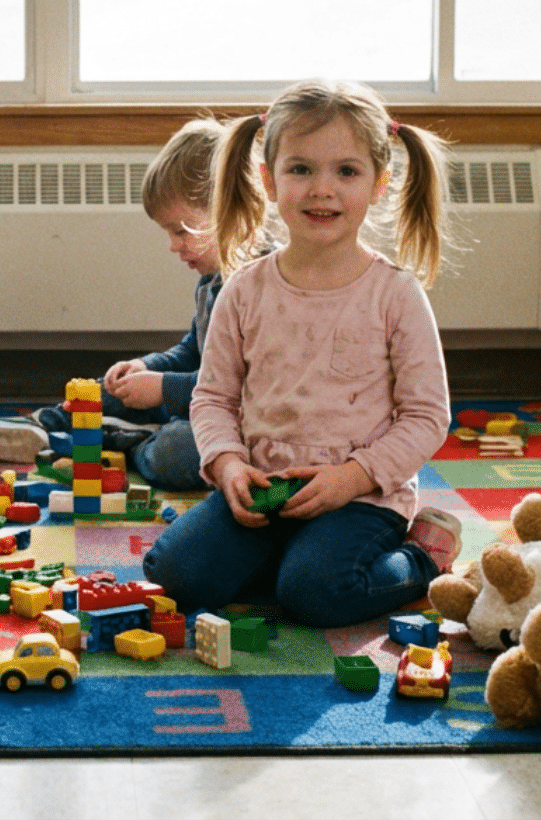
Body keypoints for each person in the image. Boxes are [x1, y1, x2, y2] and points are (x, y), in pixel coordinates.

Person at [141, 81, 464, 629]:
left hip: (361, 497)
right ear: (268, 180)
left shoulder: (396, 295)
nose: (322, 190)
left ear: (379, 184)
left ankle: (421, 557)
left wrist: (354, 478)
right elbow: (214, 397)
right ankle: (288, 559)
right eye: (300, 170)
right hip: (264, 486)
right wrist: (227, 464)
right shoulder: (242, 289)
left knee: (317, 594)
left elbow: (427, 417)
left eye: (346, 171)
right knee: (173, 574)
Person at [19, 119, 228, 490]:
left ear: (228, 206)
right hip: (195, 401)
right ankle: (44, 425)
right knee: (112, 388)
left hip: (231, 420)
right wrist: (146, 367)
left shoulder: (262, 287)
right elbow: (193, 350)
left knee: (178, 451)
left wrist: (165, 388)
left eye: (182, 231)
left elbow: (242, 388)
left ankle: (128, 441)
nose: (173, 245)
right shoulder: (210, 281)